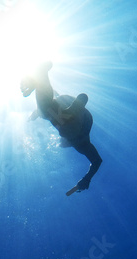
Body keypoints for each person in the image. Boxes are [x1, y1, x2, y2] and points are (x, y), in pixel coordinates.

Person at [20, 62, 102, 194]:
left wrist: (87, 178)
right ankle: (41, 77)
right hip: (72, 116)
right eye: (63, 141)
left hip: (73, 116)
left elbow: (97, 161)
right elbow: (97, 161)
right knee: (51, 113)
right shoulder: (80, 143)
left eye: (62, 140)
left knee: (48, 113)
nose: (61, 140)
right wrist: (87, 178)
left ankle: (41, 77)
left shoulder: (79, 142)